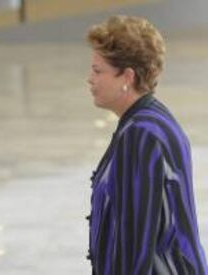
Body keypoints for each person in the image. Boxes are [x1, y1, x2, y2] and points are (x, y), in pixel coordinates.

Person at [86, 15, 208, 274]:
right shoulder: (151, 120)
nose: (90, 79)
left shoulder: (140, 135)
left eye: (98, 71)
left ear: (127, 77)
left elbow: (134, 246)